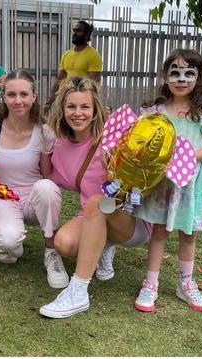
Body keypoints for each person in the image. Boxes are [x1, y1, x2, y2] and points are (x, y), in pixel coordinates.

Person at [38, 77, 155, 318]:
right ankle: (103, 247)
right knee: (63, 243)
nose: (77, 113)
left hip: (128, 216)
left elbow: (154, 160)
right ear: (62, 109)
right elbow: (50, 176)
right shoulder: (60, 144)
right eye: (71, 106)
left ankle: (78, 292)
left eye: (85, 107)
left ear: (95, 111)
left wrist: (115, 169)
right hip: (92, 214)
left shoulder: (115, 136)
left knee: (96, 202)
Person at [134, 48, 202, 313]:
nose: (181, 79)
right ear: (165, 76)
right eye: (175, 72)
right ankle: (150, 283)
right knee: (159, 232)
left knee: (189, 234)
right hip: (164, 185)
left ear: (199, 76)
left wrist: (186, 157)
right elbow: (142, 141)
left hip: (190, 185)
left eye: (188, 73)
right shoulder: (155, 110)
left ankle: (186, 283)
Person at [0, 70, 62, 277]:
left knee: (47, 188)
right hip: (3, 195)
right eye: (11, 95)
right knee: (6, 241)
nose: (18, 101)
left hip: (34, 196)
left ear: (34, 96)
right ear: (3, 97)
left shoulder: (44, 130)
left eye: (24, 94)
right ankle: (13, 246)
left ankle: (51, 251)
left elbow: (47, 174)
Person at [56, 20, 102, 88]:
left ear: (87, 34)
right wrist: (52, 97)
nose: (74, 33)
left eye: (78, 31)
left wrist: (74, 95)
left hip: (83, 96)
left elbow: (90, 85)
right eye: (74, 30)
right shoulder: (66, 55)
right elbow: (59, 81)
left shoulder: (94, 56)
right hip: (66, 95)